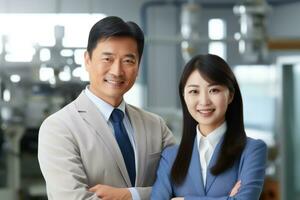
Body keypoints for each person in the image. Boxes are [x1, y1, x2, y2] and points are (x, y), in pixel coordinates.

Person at [38, 16, 175, 200]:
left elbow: (183, 185)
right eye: (107, 58)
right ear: (87, 60)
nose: (117, 71)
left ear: (138, 66)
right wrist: (156, 194)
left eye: (128, 60)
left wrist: (131, 195)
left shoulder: (156, 126)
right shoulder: (58, 128)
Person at [151, 54, 267, 200]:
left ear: (230, 95)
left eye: (214, 90)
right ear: (184, 96)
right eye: (194, 91)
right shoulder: (170, 156)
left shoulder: (252, 151)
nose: (204, 101)